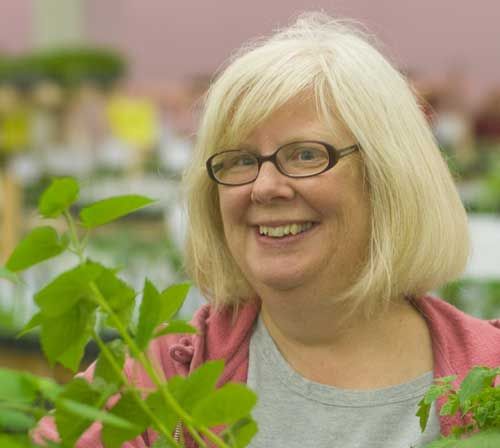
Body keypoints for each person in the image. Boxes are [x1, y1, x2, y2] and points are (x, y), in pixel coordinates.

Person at [35, 12, 500, 448]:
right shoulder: (160, 378)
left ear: (388, 178)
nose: (264, 187)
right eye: (239, 161)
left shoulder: (490, 378)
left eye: (305, 154)